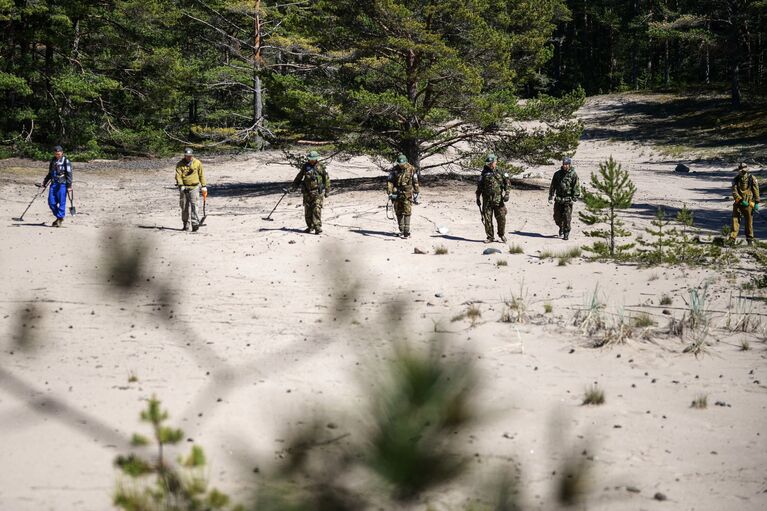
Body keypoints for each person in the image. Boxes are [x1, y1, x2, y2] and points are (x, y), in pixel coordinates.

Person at [292, 150, 330, 234]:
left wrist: (327, 190)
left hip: (317, 192)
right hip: (307, 192)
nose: (312, 161)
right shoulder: (305, 166)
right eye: (310, 159)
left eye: (313, 159)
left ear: (316, 159)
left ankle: (317, 227)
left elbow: (326, 178)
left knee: (316, 208)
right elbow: (299, 176)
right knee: (308, 210)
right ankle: (310, 227)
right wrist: (294, 186)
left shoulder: (321, 166)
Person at [476, 154, 510, 243]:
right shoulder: (484, 173)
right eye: (489, 163)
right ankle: (490, 237)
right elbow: (479, 186)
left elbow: (507, 184)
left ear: (496, 162)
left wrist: (507, 194)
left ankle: (501, 234)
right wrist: (477, 197)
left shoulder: (501, 171)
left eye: (492, 162)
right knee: (487, 219)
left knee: (501, 218)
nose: (490, 164)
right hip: (487, 200)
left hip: (498, 200)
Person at [386, 154, 420, 238]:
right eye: (399, 164)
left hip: (407, 194)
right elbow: (390, 181)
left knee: (407, 211)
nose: (401, 166)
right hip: (396, 193)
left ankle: (406, 230)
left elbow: (415, 181)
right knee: (398, 211)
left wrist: (416, 192)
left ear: (406, 162)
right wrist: (389, 192)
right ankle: (401, 229)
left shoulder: (412, 169)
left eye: (402, 164)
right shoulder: (394, 170)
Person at [548, 156, 580, 240]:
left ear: (569, 165)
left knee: (567, 218)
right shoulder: (557, 174)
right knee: (557, 217)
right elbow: (553, 185)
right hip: (558, 199)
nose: (565, 166)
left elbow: (576, 186)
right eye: (564, 164)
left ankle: (566, 232)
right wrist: (551, 196)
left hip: (568, 199)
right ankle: (561, 227)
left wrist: (575, 197)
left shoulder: (573, 174)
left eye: (566, 164)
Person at [175, 148, 207, 232]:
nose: (188, 157)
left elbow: (201, 175)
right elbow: (178, 176)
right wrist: (181, 185)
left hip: (194, 188)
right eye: (186, 156)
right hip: (184, 188)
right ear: (184, 155)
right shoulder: (180, 164)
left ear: (192, 155)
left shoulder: (197, 163)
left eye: (189, 156)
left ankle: (195, 224)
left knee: (195, 206)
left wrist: (204, 186)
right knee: (184, 207)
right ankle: (185, 224)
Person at [41, 145, 73, 227]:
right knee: (51, 202)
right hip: (53, 184)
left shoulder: (66, 161)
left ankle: (59, 219)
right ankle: (59, 217)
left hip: (62, 184)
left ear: (62, 153)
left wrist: (69, 186)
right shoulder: (53, 161)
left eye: (58, 154)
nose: (57, 155)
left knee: (62, 202)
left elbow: (69, 174)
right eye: (56, 154)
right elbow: (50, 173)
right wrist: (44, 182)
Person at [730, 162, 760, 246]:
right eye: (741, 171)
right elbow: (734, 192)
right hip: (738, 203)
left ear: (747, 170)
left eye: (744, 171)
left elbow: (756, 190)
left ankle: (749, 240)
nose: (742, 172)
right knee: (735, 221)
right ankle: (732, 239)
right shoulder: (735, 179)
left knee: (749, 222)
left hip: (749, 204)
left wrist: (756, 202)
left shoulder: (752, 178)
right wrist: (740, 200)